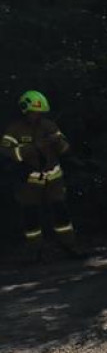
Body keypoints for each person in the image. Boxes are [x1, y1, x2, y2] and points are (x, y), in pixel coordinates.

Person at [0, 91, 81, 261]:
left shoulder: (50, 126)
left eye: (40, 113)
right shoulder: (14, 130)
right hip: (28, 181)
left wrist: (57, 142)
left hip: (54, 179)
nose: (37, 116)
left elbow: (66, 150)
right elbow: (6, 153)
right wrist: (33, 148)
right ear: (24, 110)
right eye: (34, 112)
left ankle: (70, 246)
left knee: (61, 213)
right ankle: (35, 252)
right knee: (31, 218)